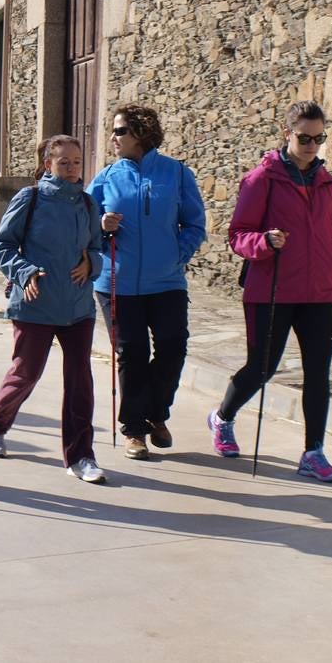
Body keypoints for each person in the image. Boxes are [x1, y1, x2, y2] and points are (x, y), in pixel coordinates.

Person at [208, 101, 332, 482]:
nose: (312, 146)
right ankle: (222, 417)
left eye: (319, 138)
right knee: (262, 367)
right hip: (271, 288)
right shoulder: (262, 179)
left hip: (320, 291)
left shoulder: (326, 181)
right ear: (287, 133)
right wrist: (265, 242)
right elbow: (238, 235)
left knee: (318, 373)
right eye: (304, 137)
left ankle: (313, 452)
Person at [87, 104, 207, 461]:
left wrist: (177, 255)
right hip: (116, 282)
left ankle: (157, 413)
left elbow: (195, 224)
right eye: (113, 131)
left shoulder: (176, 173)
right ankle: (135, 429)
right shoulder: (107, 177)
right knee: (132, 353)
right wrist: (100, 226)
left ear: (141, 133)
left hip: (167, 281)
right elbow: (83, 224)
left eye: (120, 131)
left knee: (173, 348)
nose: (113, 137)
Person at [0, 135, 105, 483]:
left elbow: (97, 247)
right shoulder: (31, 197)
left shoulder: (87, 203)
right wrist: (25, 273)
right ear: (47, 164)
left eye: (77, 161)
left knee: (80, 381)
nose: (71, 168)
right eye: (63, 162)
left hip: (78, 306)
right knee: (26, 373)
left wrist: (92, 265)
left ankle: (81, 456)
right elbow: (3, 245)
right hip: (35, 303)